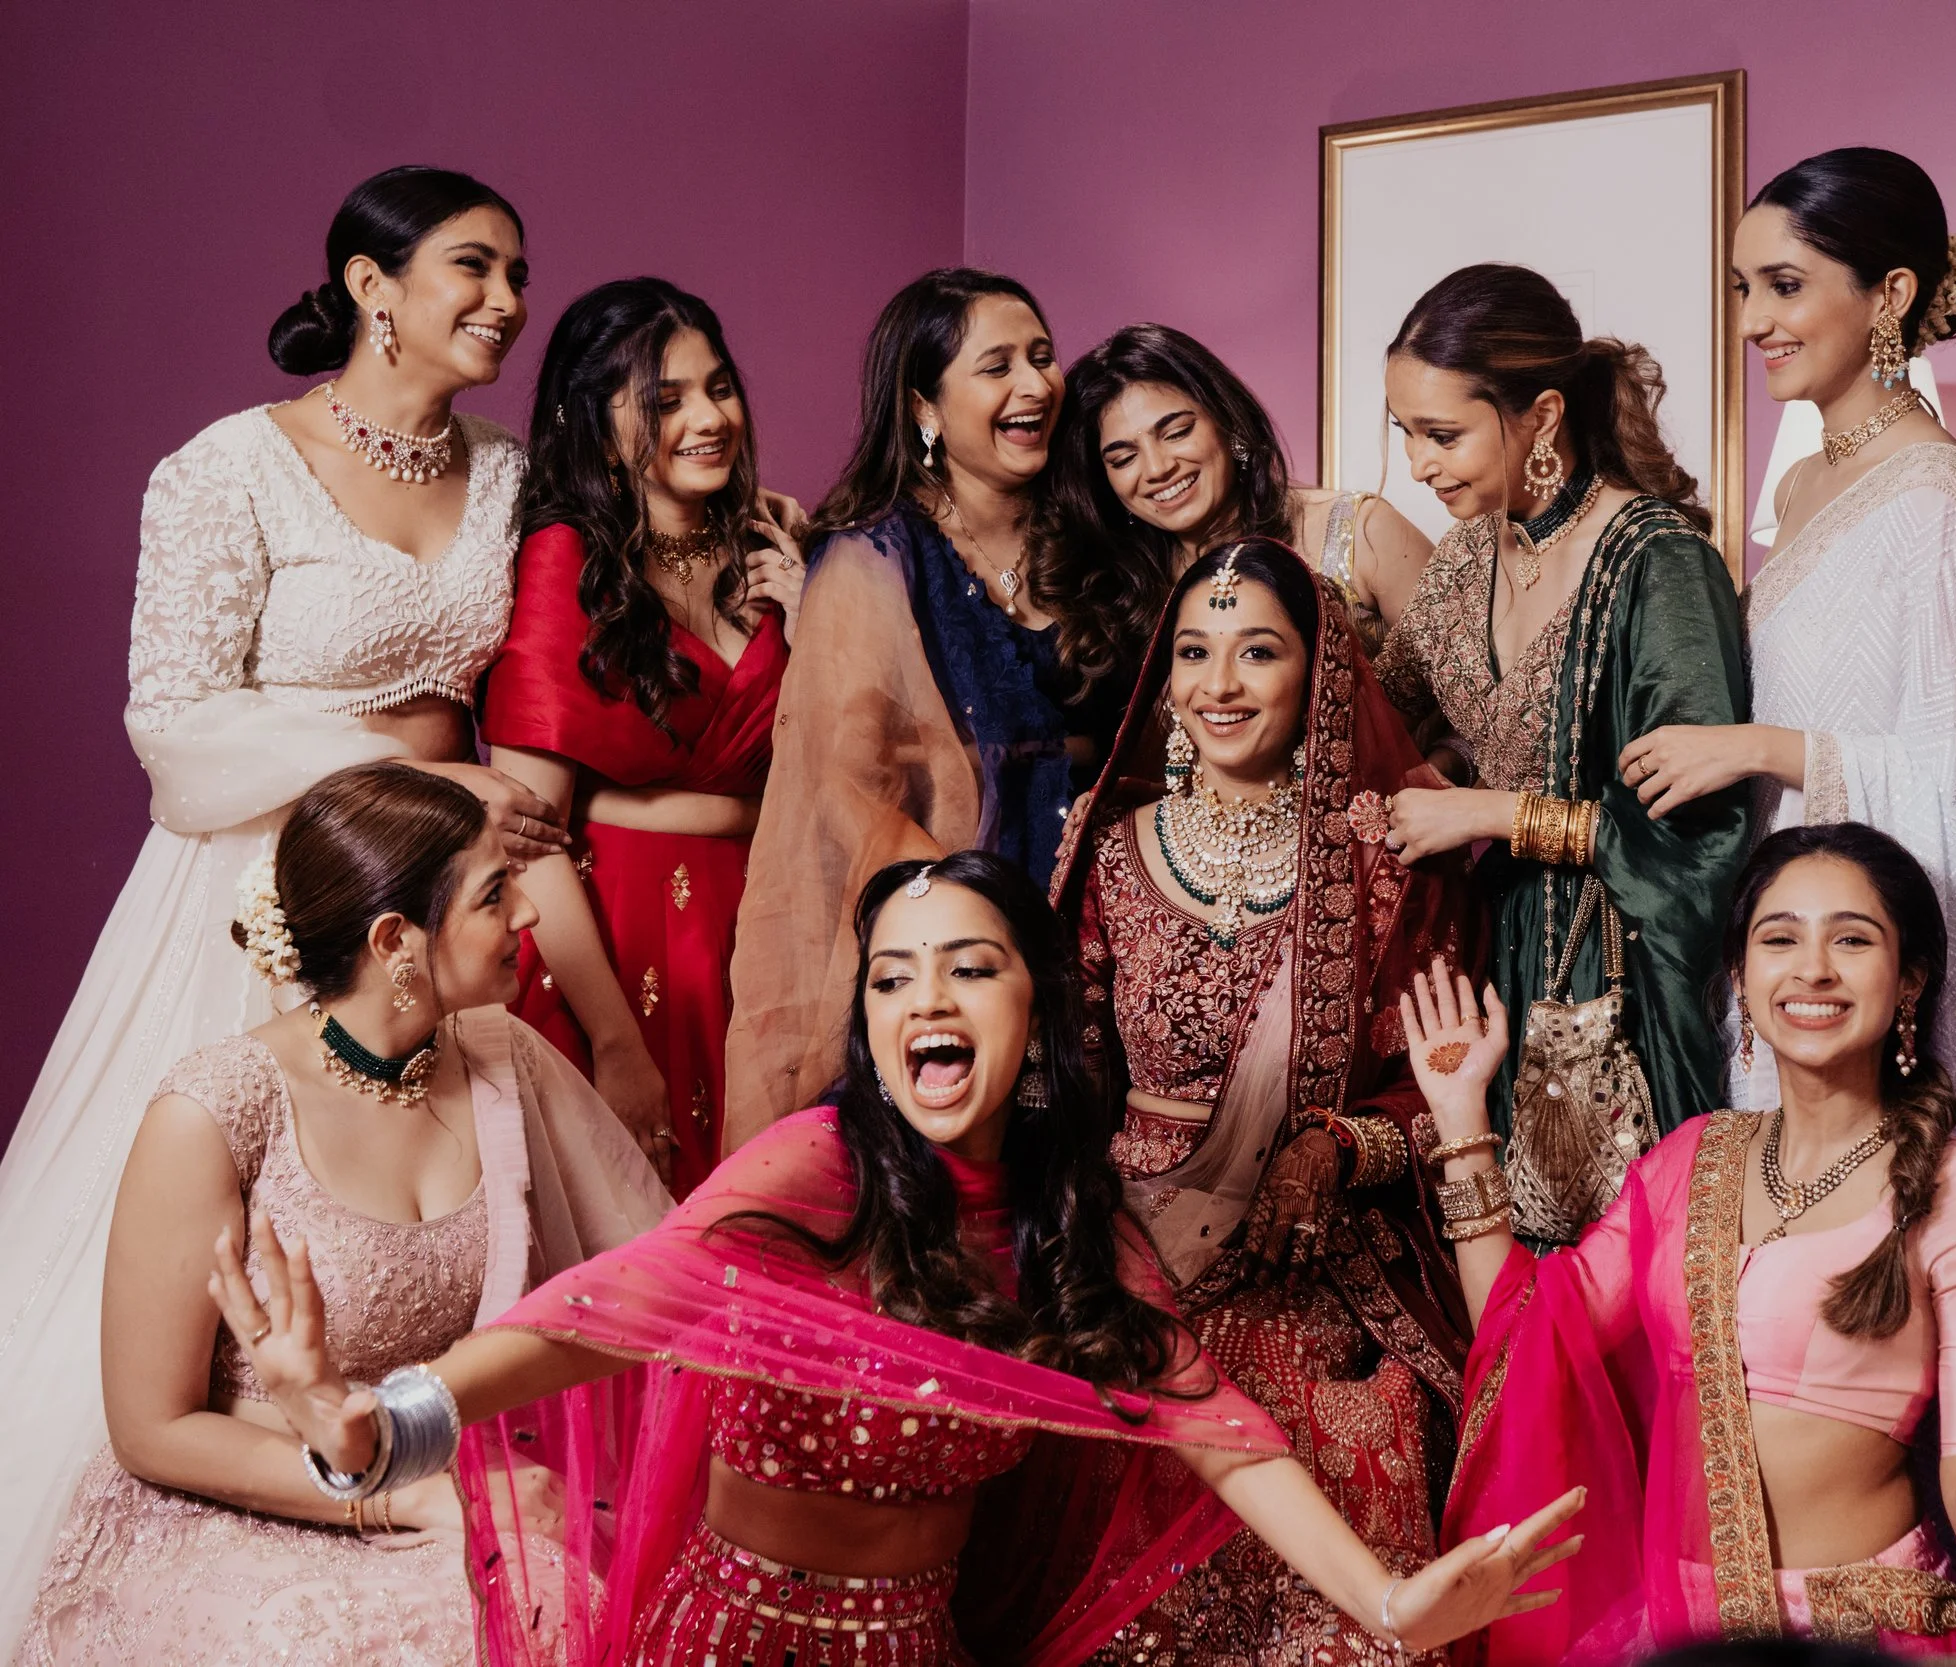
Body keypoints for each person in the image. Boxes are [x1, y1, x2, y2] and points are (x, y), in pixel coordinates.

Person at [216, 851, 1584, 1664]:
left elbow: (1218, 1427)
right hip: (730, 1646)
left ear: (1036, 1005)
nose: (925, 995)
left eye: (968, 968)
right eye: (892, 974)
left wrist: (1393, 1602)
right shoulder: (819, 1163)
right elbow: (604, 1315)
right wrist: (383, 1420)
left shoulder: (1067, 1215)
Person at [0, 165, 562, 1639]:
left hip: (447, 897)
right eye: (473, 267)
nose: (508, 300)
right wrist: (401, 765)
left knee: (440, 1227)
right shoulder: (223, 468)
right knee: (231, 1239)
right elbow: (173, 728)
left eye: (517, 270)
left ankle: (397, 1465)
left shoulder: (506, 472)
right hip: (258, 877)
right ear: (372, 287)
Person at [1405, 823, 1956, 1660]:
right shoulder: (1693, 1158)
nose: (1813, 967)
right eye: (1779, 938)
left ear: (1909, 983)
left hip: (1857, 1641)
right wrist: (1461, 1119)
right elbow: (1527, 1336)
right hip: (1678, 1634)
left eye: (1852, 939)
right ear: (1741, 982)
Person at [13, 763, 669, 1663]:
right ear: (397, 938)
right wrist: (395, 1494)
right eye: (493, 892)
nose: (528, 913)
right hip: (236, 1514)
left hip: (438, 1479)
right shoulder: (216, 1111)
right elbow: (150, 1429)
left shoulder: (503, 1062)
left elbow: (655, 1269)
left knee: (567, 1609)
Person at [1054, 540, 1474, 1663]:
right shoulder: (1105, 850)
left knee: (1363, 1420)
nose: (1219, 683)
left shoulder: (1385, 860)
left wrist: (1334, 1147)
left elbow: (1441, 1089)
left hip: (1320, 1268)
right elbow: (1059, 1083)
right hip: (1138, 1266)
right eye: (1193, 651)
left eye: (1257, 651)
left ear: (1320, 672)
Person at [1617, 148, 1956, 1213]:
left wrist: (1760, 748)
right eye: (1742, 288)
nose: (1753, 319)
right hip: (1778, 934)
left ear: (1890, 295)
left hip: (1867, 952)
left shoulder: (1936, 498)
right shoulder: (1805, 478)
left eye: (1785, 285)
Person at [1372, 264, 1752, 1246]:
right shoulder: (1463, 557)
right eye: (1403, 432)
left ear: (1540, 414)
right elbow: (1379, 720)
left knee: (1605, 1314)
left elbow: (1699, 846)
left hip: (1607, 999)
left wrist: (1491, 812)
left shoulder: (1657, 564)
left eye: (1441, 434)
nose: (1417, 465)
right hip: (1479, 979)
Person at [724, 269, 1141, 1146]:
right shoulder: (875, 558)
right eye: (998, 367)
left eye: (1042, 357)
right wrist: (974, 926)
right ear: (925, 407)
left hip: (1111, 938)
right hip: (957, 943)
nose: (1035, 385)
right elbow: (849, 790)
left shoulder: (1093, 532)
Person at [482, 277, 807, 1194]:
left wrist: (816, 617)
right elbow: (527, 834)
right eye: (665, 401)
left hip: (762, 927)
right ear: (596, 423)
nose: (709, 417)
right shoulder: (567, 562)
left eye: (719, 386)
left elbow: (835, 760)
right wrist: (617, 1043)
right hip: (615, 941)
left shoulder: (772, 546)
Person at [1049, 321, 1434, 653]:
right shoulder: (1121, 598)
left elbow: (1478, 708)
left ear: (1227, 421)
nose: (1157, 468)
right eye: (1123, 459)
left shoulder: (1360, 532)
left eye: (1177, 432)